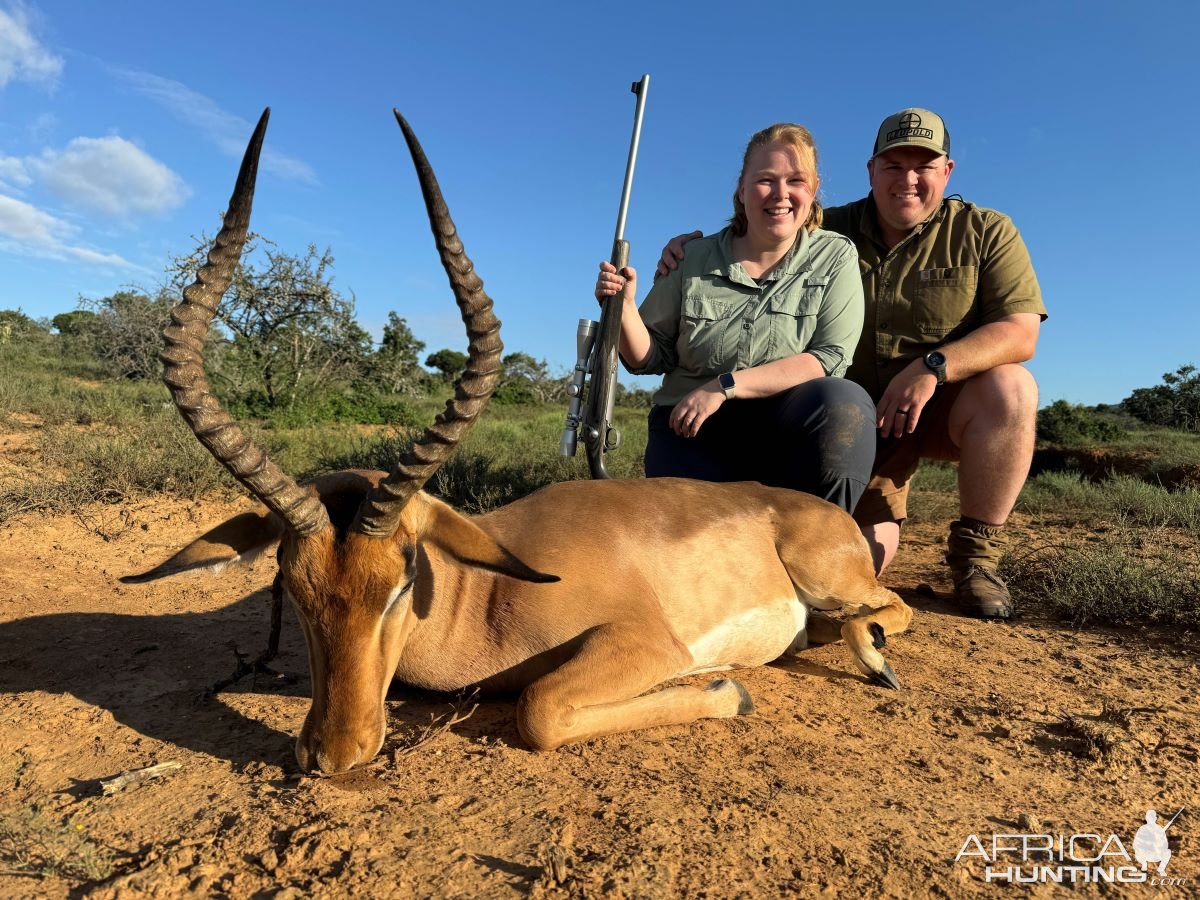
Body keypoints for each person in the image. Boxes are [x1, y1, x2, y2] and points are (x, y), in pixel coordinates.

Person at [657, 109, 1047, 619]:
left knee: (1012, 387)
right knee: (853, 568)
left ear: (946, 172)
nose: (907, 179)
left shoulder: (986, 230)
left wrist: (930, 368)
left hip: (937, 409)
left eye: (922, 166)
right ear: (870, 170)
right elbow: (760, 227)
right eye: (892, 165)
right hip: (850, 425)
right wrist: (685, 248)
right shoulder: (829, 228)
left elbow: (1020, 332)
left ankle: (976, 559)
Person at [595, 122, 877, 515]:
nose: (780, 194)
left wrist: (724, 386)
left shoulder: (835, 256)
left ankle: (821, 549)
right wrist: (623, 308)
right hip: (689, 426)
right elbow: (648, 358)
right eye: (765, 180)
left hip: (783, 428)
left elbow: (829, 357)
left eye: (795, 180)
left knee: (844, 401)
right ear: (742, 191)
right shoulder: (691, 257)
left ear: (812, 191)